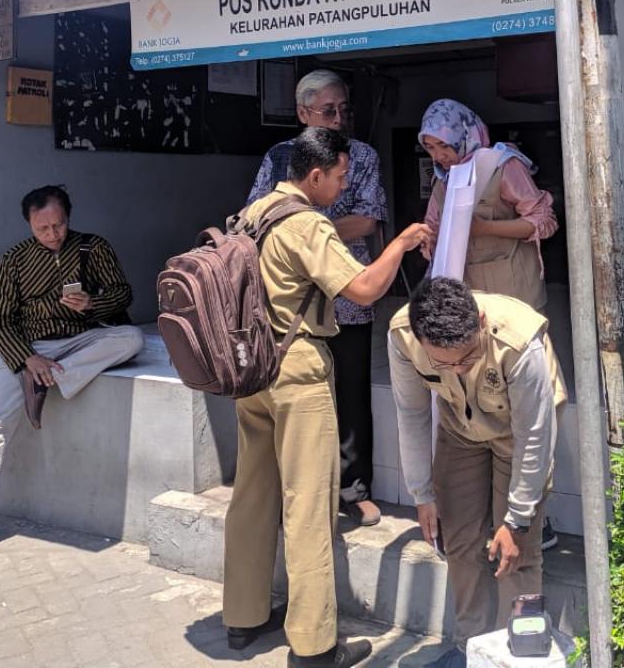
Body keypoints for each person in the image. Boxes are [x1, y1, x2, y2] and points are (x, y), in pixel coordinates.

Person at [225, 127, 429, 668]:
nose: (342, 187)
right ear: (314, 176)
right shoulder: (306, 223)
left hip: (251, 369)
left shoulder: (253, 214)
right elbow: (363, 289)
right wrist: (399, 245)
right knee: (309, 505)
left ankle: (243, 615)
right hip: (295, 371)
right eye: (339, 176)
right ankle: (314, 647)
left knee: (252, 494)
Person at [0, 185, 141, 574]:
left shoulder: (93, 247)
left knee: (132, 338)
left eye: (59, 225)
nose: (53, 234)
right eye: (43, 228)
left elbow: (123, 294)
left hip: (81, 342)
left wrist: (93, 303)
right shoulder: (15, 260)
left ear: (68, 217)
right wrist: (26, 360)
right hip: (29, 349)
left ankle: (49, 382)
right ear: (29, 225)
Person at [388, 277, 567, 668]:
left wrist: (517, 520)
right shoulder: (402, 336)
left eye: (467, 358)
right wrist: (422, 494)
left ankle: (510, 653)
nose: (458, 368)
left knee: (515, 551)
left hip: (518, 434)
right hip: (459, 429)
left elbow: (534, 437)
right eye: (443, 364)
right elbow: (411, 413)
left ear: (481, 322)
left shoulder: (519, 344)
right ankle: (471, 647)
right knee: (459, 540)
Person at [248, 69, 388, 528]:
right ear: (303, 112)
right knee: (296, 399)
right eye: (329, 110)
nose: (338, 118)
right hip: (288, 303)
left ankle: (354, 489)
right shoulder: (278, 157)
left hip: (347, 294)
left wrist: (305, 232)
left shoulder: (361, 156)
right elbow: (255, 219)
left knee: (352, 394)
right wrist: (302, 236)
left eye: (344, 109)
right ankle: (297, 490)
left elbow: (367, 219)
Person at [418, 99, 557, 312]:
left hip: (514, 296)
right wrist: (428, 240)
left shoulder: (502, 166)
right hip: (467, 300)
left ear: (466, 135)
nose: (438, 156)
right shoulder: (443, 178)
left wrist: (485, 228)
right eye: (430, 147)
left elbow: (544, 221)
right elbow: (432, 225)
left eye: (444, 145)